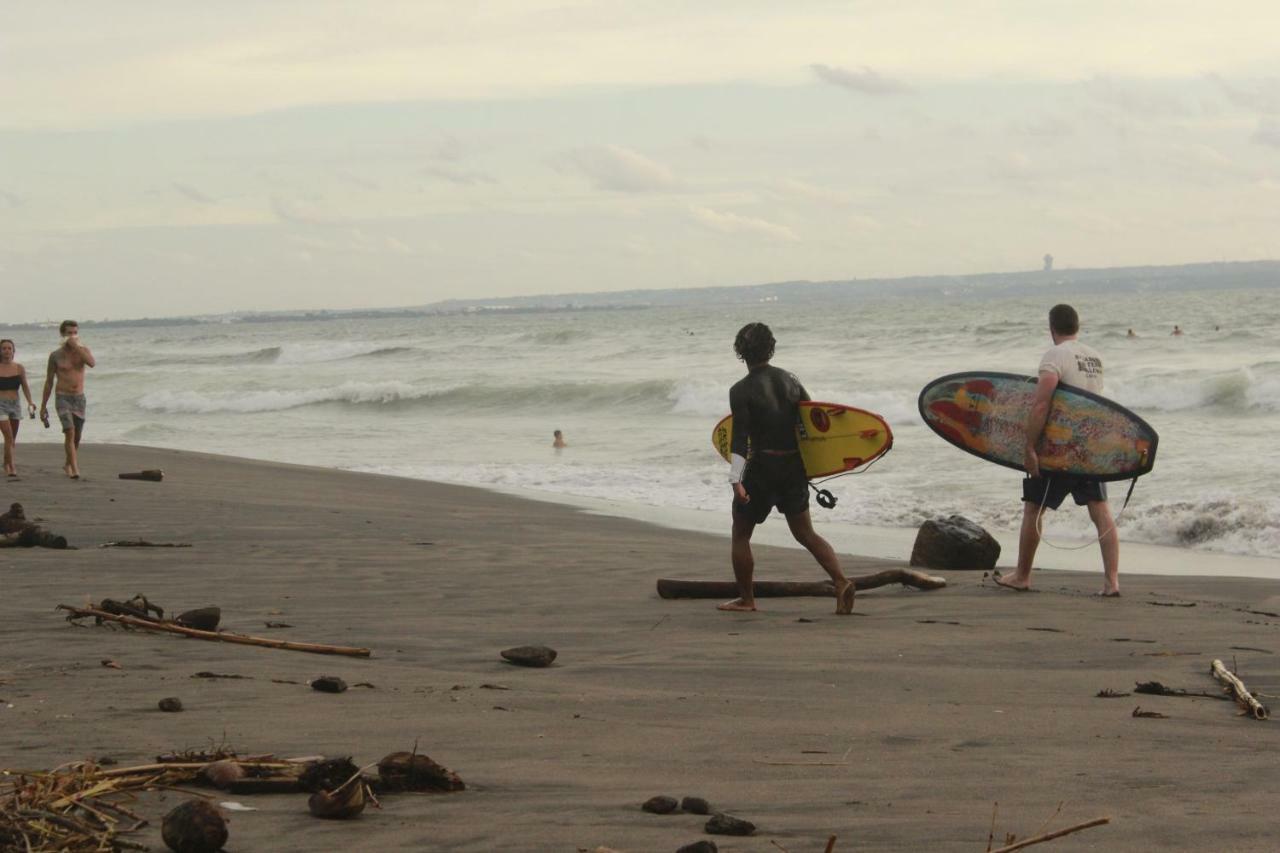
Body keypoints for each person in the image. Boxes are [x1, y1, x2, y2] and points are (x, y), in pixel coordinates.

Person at [719, 322, 856, 614]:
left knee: (741, 533)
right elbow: (812, 423)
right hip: (793, 465)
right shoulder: (791, 381)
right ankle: (842, 581)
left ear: (741, 352)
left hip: (762, 468)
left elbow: (740, 437)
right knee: (806, 533)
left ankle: (747, 599)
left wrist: (736, 480)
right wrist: (815, 467)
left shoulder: (740, 390)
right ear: (770, 347)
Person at [996, 304, 1119, 596]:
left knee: (1034, 508)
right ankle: (1111, 581)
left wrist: (1029, 446)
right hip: (1089, 447)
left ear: (1052, 328)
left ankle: (1023, 576)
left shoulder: (1055, 355)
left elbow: (1042, 403)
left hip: (1058, 448)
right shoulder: (1094, 357)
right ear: (1078, 325)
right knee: (1100, 510)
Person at [40, 320, 95, 480]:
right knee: (69, 432)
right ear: (62, 335)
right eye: (69, 333)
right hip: (62, 397)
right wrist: (43, 406)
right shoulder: (55, 355)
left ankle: (67, 463)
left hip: (78, 398)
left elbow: (91, 363)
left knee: (77, 436)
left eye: (74, 333)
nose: (72, 336)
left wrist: (76, 347)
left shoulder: (83, 351)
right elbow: (49, 381)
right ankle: (75, 468)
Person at [0, 339, 36, 477]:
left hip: (15, 404)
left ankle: (5, 462)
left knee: (12, 439)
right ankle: (11, 466)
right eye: (4, 348)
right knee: (8, 436)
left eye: (9, 348)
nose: (7, 351)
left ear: (13, 351)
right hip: (0, 405)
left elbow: (25, 386)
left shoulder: (19, 368)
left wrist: (30, 402)